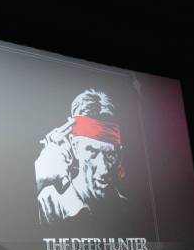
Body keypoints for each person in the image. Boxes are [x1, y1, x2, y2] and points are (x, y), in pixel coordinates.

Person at [35, 89, 127, 226]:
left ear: (119, 155)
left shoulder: (128, 208)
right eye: (91, 151)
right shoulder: (48, 205)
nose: (103, 170)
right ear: (74, 146)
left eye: (110, 154)